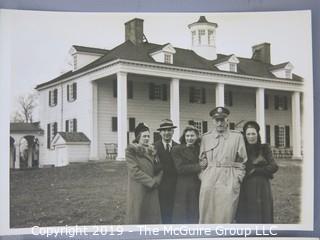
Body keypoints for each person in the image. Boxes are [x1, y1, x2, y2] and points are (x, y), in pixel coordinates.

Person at [199, 106, 247, 223]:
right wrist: (203, 176)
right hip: (210, 176)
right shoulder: (206, 137)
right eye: (217, 120)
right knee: (207, 210)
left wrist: (238, 178)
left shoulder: (237, 137)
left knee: (226, 211)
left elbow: (242, 160)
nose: (220, 123)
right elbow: (201, 159)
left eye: (222, 120)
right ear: (213, 121)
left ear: (227, 120)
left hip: (229, 176)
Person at [236, 121, 279, 223]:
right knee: (247, 214)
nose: (251, 137)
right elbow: (239, 167)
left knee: (263, 213)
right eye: (248, 134)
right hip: (246, 187)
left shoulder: (264, 148)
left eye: (253, 133)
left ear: (257, 134)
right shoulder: (242, 150)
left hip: (262, 187)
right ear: (245, 136)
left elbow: (274, 166)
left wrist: (256, 170)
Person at [126, 122, 163, 224]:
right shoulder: (131, 151)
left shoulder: (152, 151)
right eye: (144, 136)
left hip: (152, 189)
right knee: (139, 217)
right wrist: (151, 182)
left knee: (152, 218)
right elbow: (134, 171)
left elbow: (160, 168)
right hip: (139, 189)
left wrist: (157, 180)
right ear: (138, 137)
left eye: (148, 136)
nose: (147, 138)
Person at [171, 125, 202, 224]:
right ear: (184, 137)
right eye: (187, 136)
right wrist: (199, 166)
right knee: (182, 213)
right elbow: (180, 169)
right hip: (183, 185)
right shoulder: (177, 149)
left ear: (197, 137)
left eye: (192, 136)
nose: (189, 138)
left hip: (197, 183)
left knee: (195, 211)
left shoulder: (200, 149)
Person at [154, 119, 178, 224]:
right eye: (164, 130)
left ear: (173, 132)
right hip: (160, 186)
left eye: (169, 130)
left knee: (174, 212)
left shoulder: (178, 146)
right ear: (160, 132)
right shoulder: (154, 147)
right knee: (162, 212)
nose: (167, 133)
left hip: (176, 185)